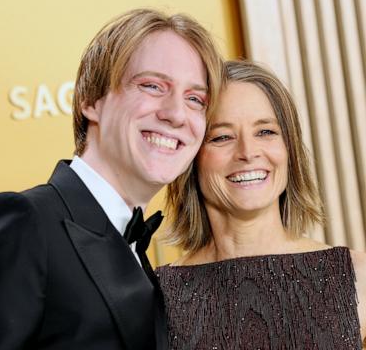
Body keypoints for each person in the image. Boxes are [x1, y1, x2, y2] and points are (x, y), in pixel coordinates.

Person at [0, 8, 223, 350]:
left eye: (195, 99)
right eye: (152, 86)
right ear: (91, 101)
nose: (176, 114)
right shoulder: (25, 220)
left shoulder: (138, 252)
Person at [156, 60, 366, 349]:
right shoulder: (156, 297)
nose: (248, 152)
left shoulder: (359, 276)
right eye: (222, 137)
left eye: (265, 132)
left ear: (289, 148)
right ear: (191, 159)